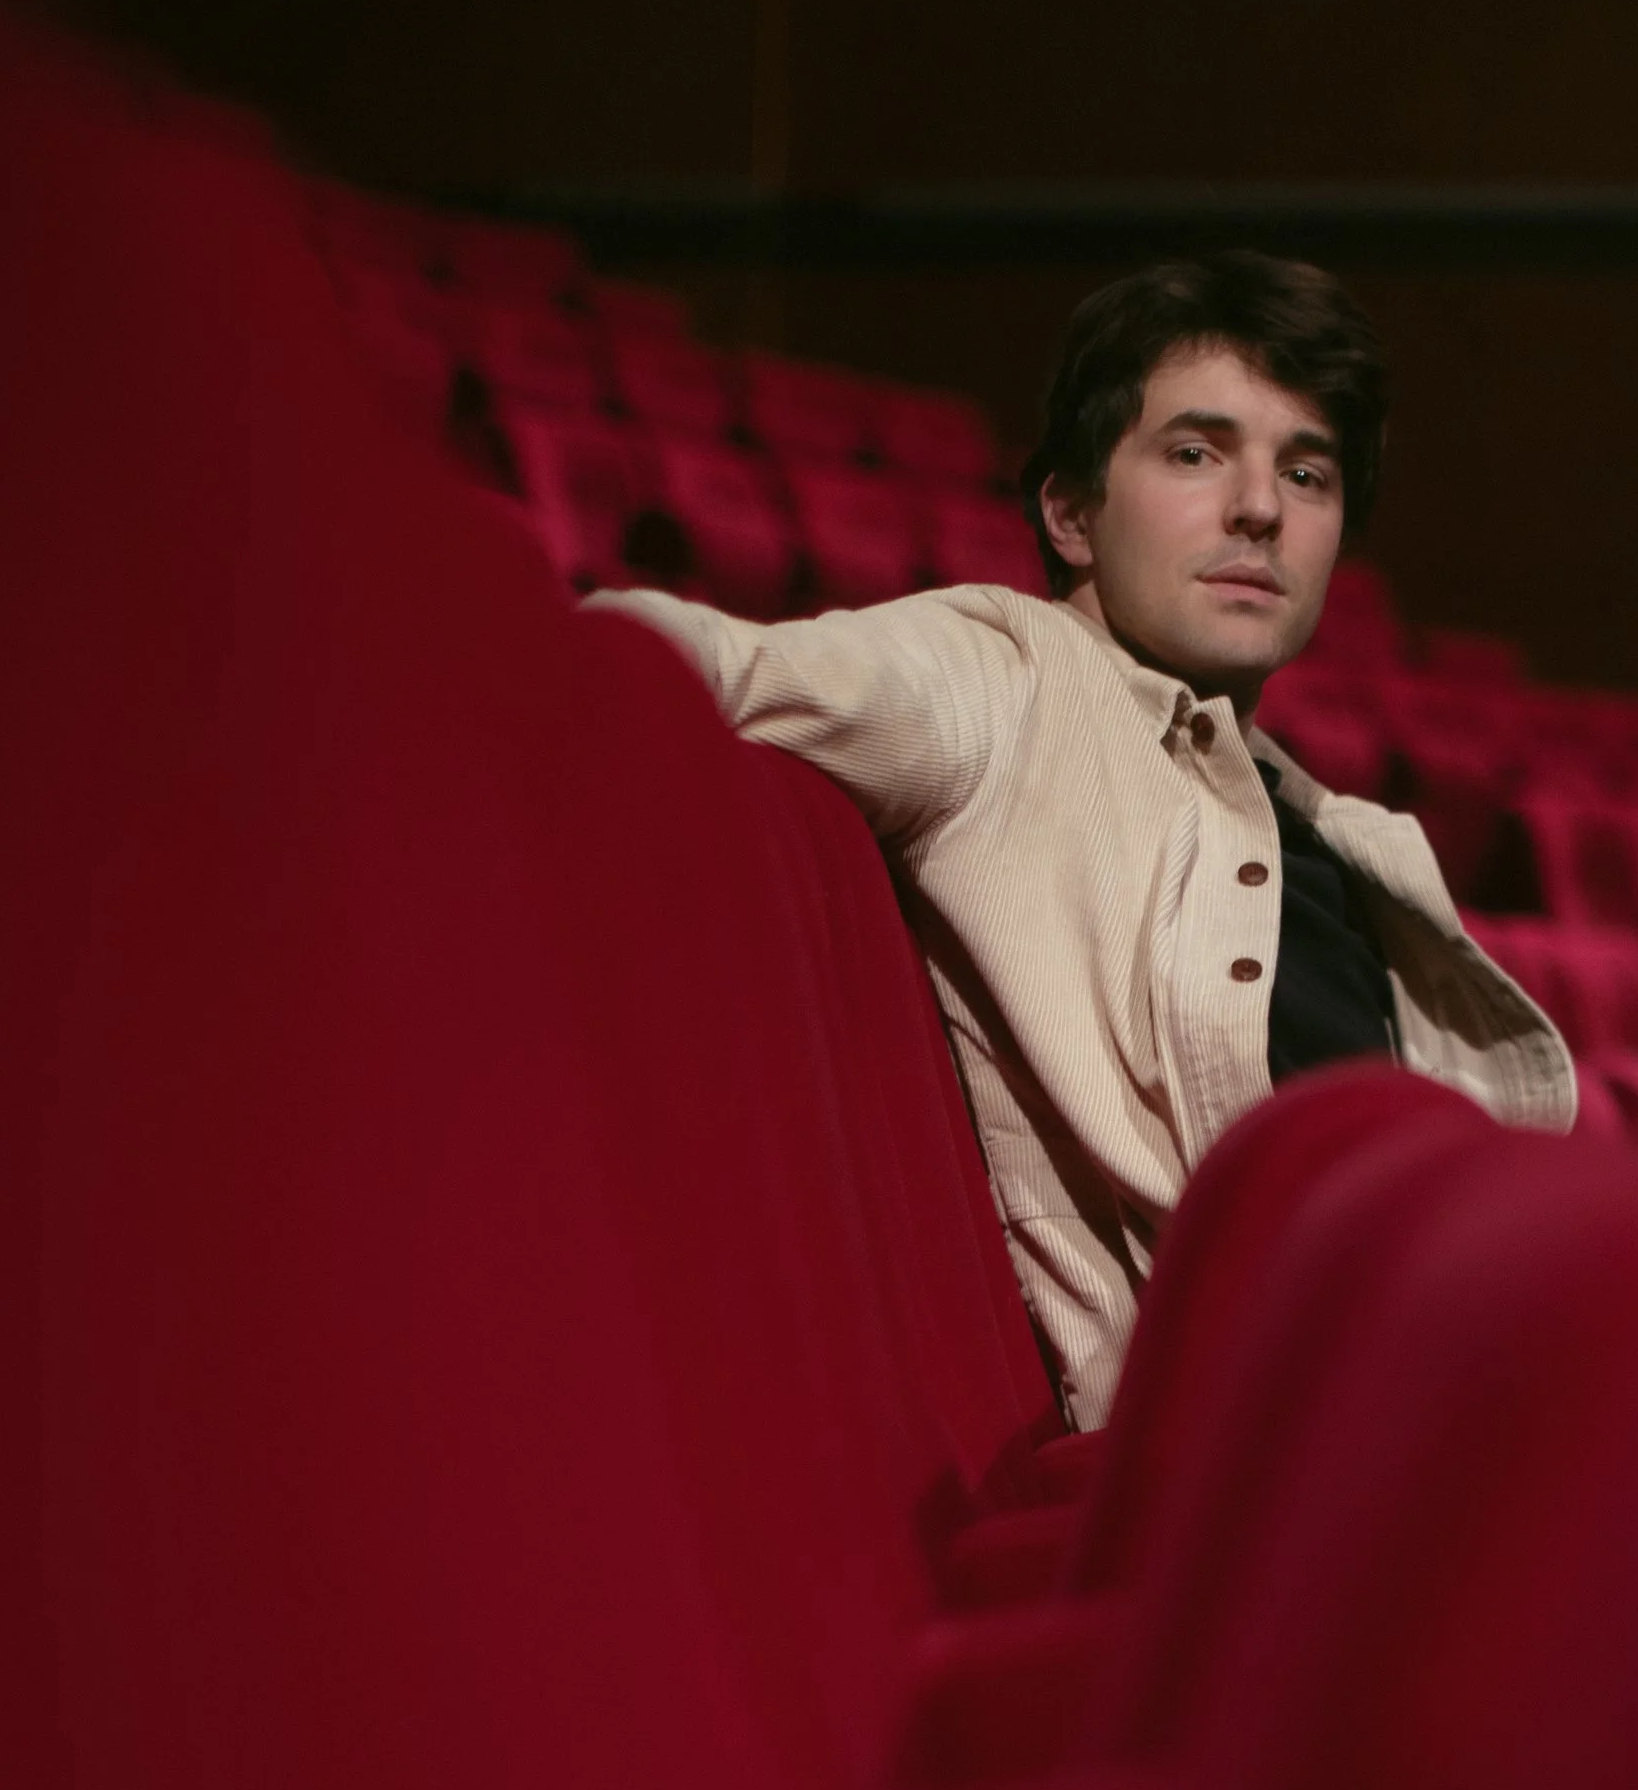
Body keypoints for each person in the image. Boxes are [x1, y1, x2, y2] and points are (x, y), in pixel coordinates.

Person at [588, 253, 1574, 1427]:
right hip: (1228, 1445)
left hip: (1407, 1392)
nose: (1260, 506)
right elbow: (648, 660)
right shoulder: (1003, 681)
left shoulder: (1334, 831)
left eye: (1304, 472)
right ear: (1069, 514)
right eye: (1196, 453)